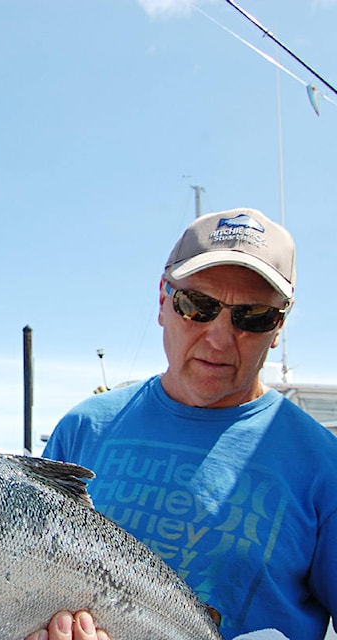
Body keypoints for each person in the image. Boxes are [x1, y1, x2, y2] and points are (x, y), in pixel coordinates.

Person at [30, 208, 337, 640]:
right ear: (162, 300)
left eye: (252, 317)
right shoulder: (83, 428)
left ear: (279, 325)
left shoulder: (325, 466)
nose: (218, 338)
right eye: (198, 306)